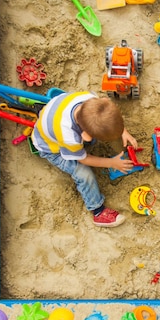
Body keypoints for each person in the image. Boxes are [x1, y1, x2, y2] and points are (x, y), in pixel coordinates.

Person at [31, 91, 137, 227]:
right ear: (86, 136)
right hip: (53, 150)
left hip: (56, 113)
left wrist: (123, 131)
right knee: (83, 174)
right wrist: (111, 163)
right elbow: (83, 159)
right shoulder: (70, 137)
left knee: (103, 126)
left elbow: (109, 115)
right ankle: (98, 211)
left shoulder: (91, 101)